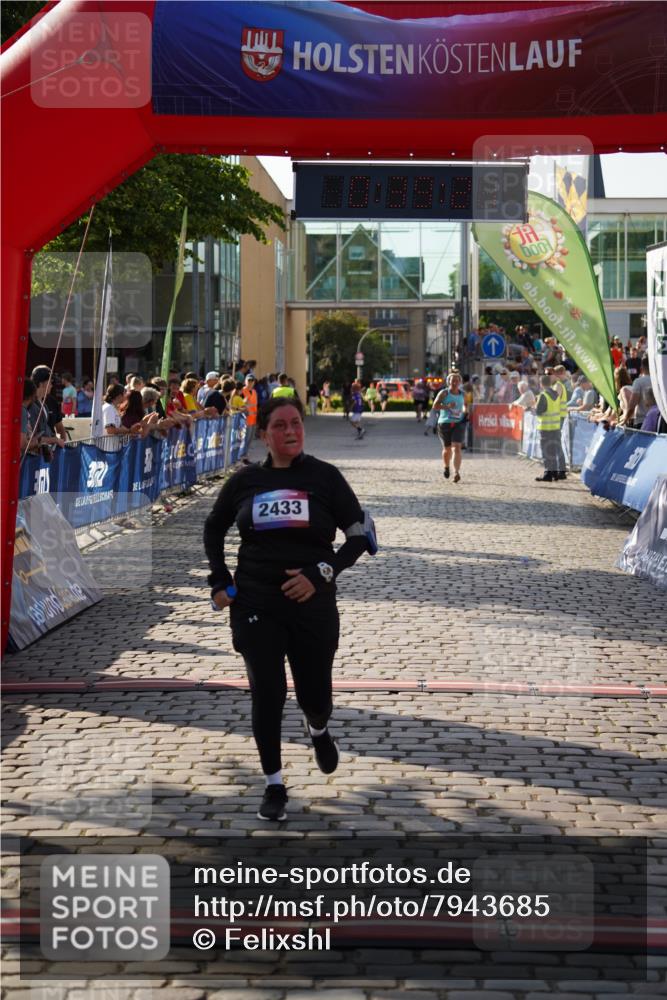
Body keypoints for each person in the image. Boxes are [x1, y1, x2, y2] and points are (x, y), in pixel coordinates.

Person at [203, 396, 375, 821]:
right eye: (279, 425)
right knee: (268, 691)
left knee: (315, 695)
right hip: (256, 601)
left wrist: (321, 573)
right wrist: (219, 580)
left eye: (296, 422)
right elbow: (213, 527)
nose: (290, 431)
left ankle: (318, 727)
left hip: (313, 604)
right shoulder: (245, 481)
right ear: (263, 434)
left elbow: (359, 537)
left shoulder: (325, 477)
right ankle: (274, 785)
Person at [432, 371, 466, 483]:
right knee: (447, 449)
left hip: (458, 423)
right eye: (452, 381)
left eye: (457, 381)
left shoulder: (463, 394)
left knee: (457, 447)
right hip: (444, 423)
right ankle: (446, 467)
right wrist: (447, 406)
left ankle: (456, 472)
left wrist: (465, 411)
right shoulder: (444, 393)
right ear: (448, 382)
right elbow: (435, 406)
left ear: (460, 382)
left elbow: (465, 406)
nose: (455, 383)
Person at [534, 374, 565, 482]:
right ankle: (554, 473)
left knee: (547, 452)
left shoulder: (543, 395)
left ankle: (548, 474)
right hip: (555, 428)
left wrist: (535, 405)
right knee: (553, 451)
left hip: (546, 428)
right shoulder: (556, 394)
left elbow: (539, 411)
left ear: (541, 384)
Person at [242, 374, 259, 450]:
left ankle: (246, 452)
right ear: (245, 381)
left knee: (251, 438)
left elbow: (255, 404)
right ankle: (243, 453)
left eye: (252, 381)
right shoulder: (242, 391)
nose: (250, 382)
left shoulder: (254, 392)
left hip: (254, 418)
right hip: (246, 418)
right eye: (249, 380)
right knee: (246, 438)